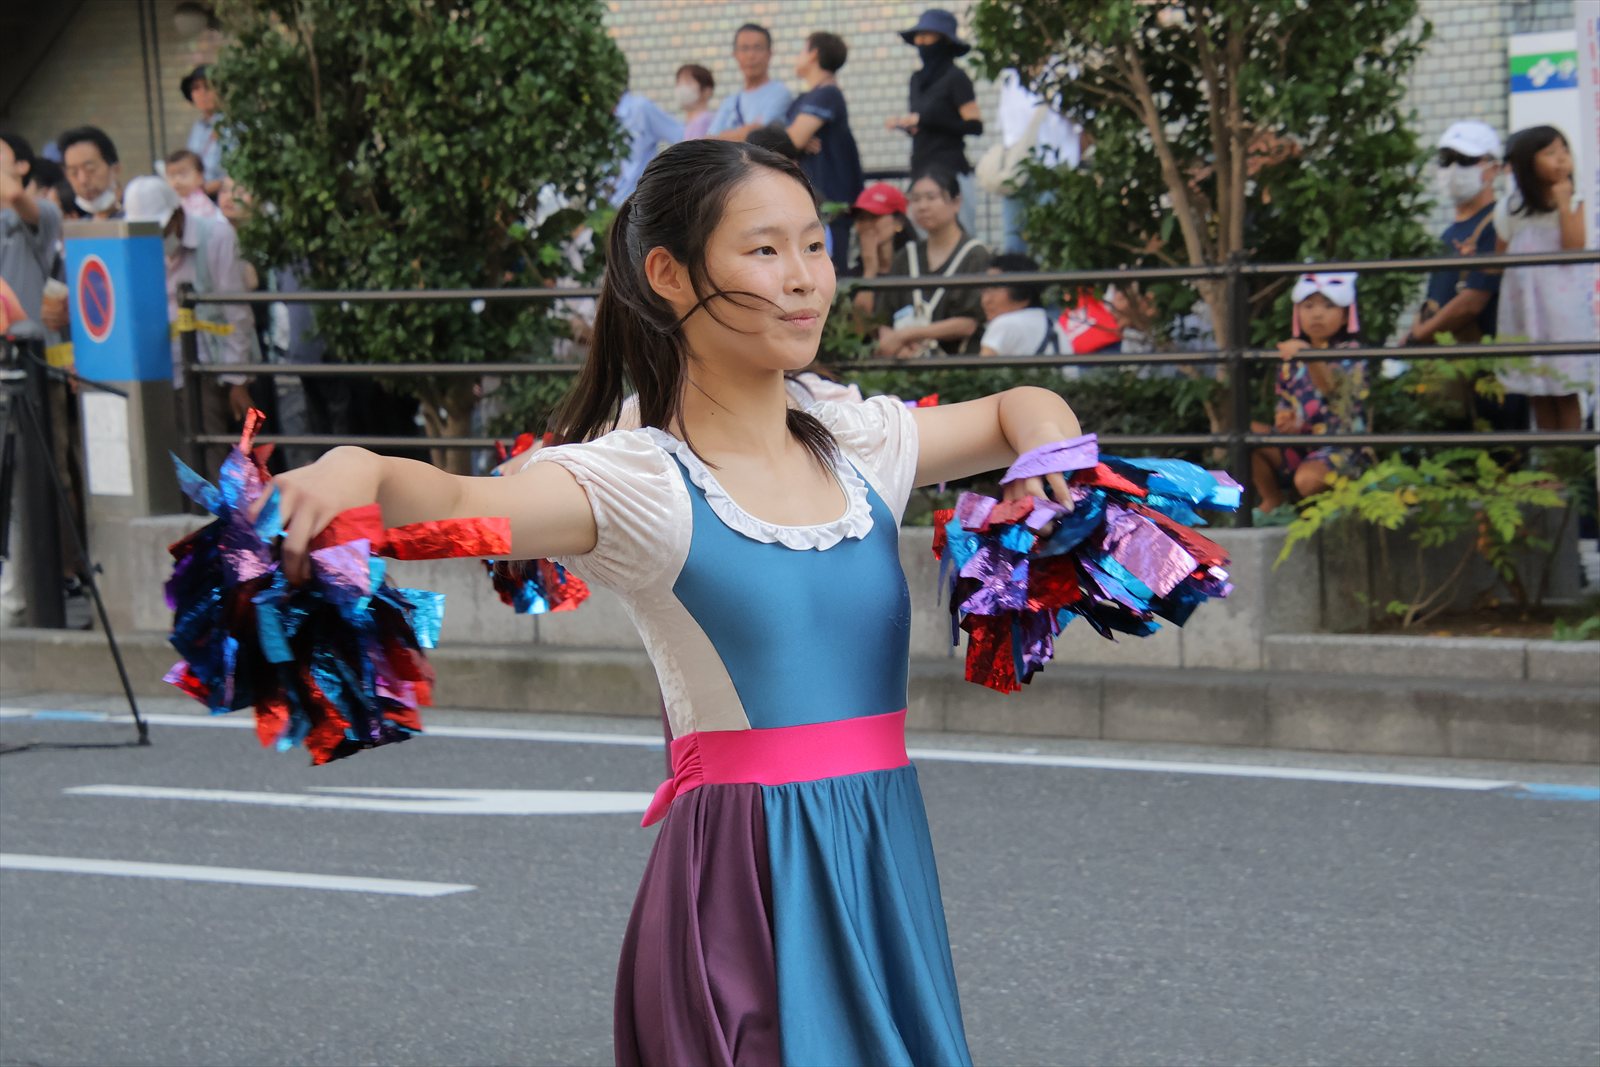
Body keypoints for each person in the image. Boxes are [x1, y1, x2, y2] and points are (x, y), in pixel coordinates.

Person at [264, 138, 1082, 1066]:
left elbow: (1020, 406)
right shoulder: (641, 484)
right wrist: (357, 465)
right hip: (749, 876)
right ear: (669, 275)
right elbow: (456, 501)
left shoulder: (857, 443)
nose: (804, 277)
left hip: (883, 850)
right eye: (765, 250)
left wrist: (1051, 457)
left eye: (814, 246)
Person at [121, 176, 258, 474]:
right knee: (171, 463)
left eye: (161, 230)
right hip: (157, 372)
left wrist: (237, 380)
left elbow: (236, 312)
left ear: (177, 214)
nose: (157, 238)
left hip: (205, 367)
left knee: (210, 459)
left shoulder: (216, 236)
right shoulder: (136, 246)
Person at [1493, 125, 1596, 432]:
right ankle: (1549, 457)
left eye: (1564, 150)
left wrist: (1564, 204)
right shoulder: (1511, 207)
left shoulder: (1575, 201)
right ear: (1528, 164)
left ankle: (1569, 456)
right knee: (1537, 391)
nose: (1562, 158)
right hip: (1526, 310)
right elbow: (1498, 259)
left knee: (1565, 390)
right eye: (1550, 153)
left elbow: (1573, 247)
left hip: (1561, 313)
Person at [1250, 272, 1371, 521]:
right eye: (1308, 306)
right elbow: (1285, 404)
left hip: (1341, 447)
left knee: (1307, 479)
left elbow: (1331, 389)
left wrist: (1307, 354)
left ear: (1346, 315)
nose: (1317, 314)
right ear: (1297, 313)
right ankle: (1273, 500)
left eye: (1328, 306)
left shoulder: (1353, 352)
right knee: (1246, 432)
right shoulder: (1291, 356)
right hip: (1299, 444)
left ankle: (1328, 509)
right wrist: (1286, 421)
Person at [873, 168, 991, 357]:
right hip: (906, 361)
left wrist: (906, 335)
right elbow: (884, 318)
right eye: (915, 199)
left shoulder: (975, 254)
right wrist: (896, 346)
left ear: (956, 202)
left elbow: (969, 323)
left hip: (957, 363)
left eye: (931, 197)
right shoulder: (906, 255)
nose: (922, 206)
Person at [886, 9, 983, 236]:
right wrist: (910, 126)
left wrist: (927, 120)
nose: (920, 42)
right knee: (924, 239)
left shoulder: (956, 78)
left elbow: (975, 126)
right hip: (922, 169)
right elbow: (923, 124)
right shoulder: (916, 80)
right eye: (918, 37)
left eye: (926, 36)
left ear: (944, 40)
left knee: (959, 236)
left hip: (950, 170)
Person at [1409, 121, 1503, 346]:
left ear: (1494, 168)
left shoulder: (1496, 224)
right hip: (1445, 354)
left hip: (1477, 357)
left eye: (1465, 160)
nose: (1453, 169)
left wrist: (1418, 337)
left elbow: (1471, 303)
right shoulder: (1449, 233)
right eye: (1446, 160)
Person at [783, 31, 864, 277]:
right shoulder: (808, 97)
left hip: (830, 200)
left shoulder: (827, 93)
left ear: (813, 54)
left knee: (829, 272)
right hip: (812, 199)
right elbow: (792, 139)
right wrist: (794, 139)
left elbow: (792, 139)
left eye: (802, 50)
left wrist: (794, 139)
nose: (797, 57)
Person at [992, 65, 1081, 254]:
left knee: (1050, 239)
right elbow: (1009, 127)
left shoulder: (1067, 68)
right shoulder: (1011, 75)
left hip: (1057, 168)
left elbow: (1084, 125)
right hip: (1018, 169)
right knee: (1013, 240)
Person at [708, 23, 794, 140]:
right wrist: (743, 132)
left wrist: (723, 136)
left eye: (757, 48)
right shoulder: (730, 101)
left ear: (769, 54)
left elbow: (758, 135)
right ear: (735, 54)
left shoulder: (779, 93)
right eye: (744, 48)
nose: (751, 55)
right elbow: (709, 139)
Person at [978, 253, 1062, 357]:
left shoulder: (1004, 324)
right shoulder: (1053, 324)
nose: (986, 300)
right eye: (984, 290)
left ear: (1022, 295)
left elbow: (983, 366)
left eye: (995, 288)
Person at [612, 89, 684, 206]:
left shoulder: (640, 108)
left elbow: (683, 137)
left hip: (636, 203)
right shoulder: (598, 117)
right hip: (605, 204)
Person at [847, 180, 910, 299]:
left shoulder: (913, 267)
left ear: (898, 222)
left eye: (875, 216)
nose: (867, 224)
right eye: (861, 218)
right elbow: (861, 311)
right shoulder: (850, 276)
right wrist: (870, 270)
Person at [57, 126, 121, 220]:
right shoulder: (79, 225)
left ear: (115, 169)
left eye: (90, 169)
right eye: (74, 173)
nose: (83, 180)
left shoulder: (136, 217)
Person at [180, 65, 226, 196]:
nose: (202, 93)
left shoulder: (231, 125)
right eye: (196, 88)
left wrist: (206, 188)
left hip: (223, 197)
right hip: (197, 195)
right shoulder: (198, 127)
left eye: (208, 87)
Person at [164, 149, 218, 219]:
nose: (177, 180)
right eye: (172, 176)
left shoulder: (200, 202)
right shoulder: (172, 200)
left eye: (183, 174)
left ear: (199, 177)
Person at [675, 64, 716, 140]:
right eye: (678, 82)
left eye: (688, 82)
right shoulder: (687, 124)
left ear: (707, 91)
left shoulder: (706, 121)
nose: (681, 88)